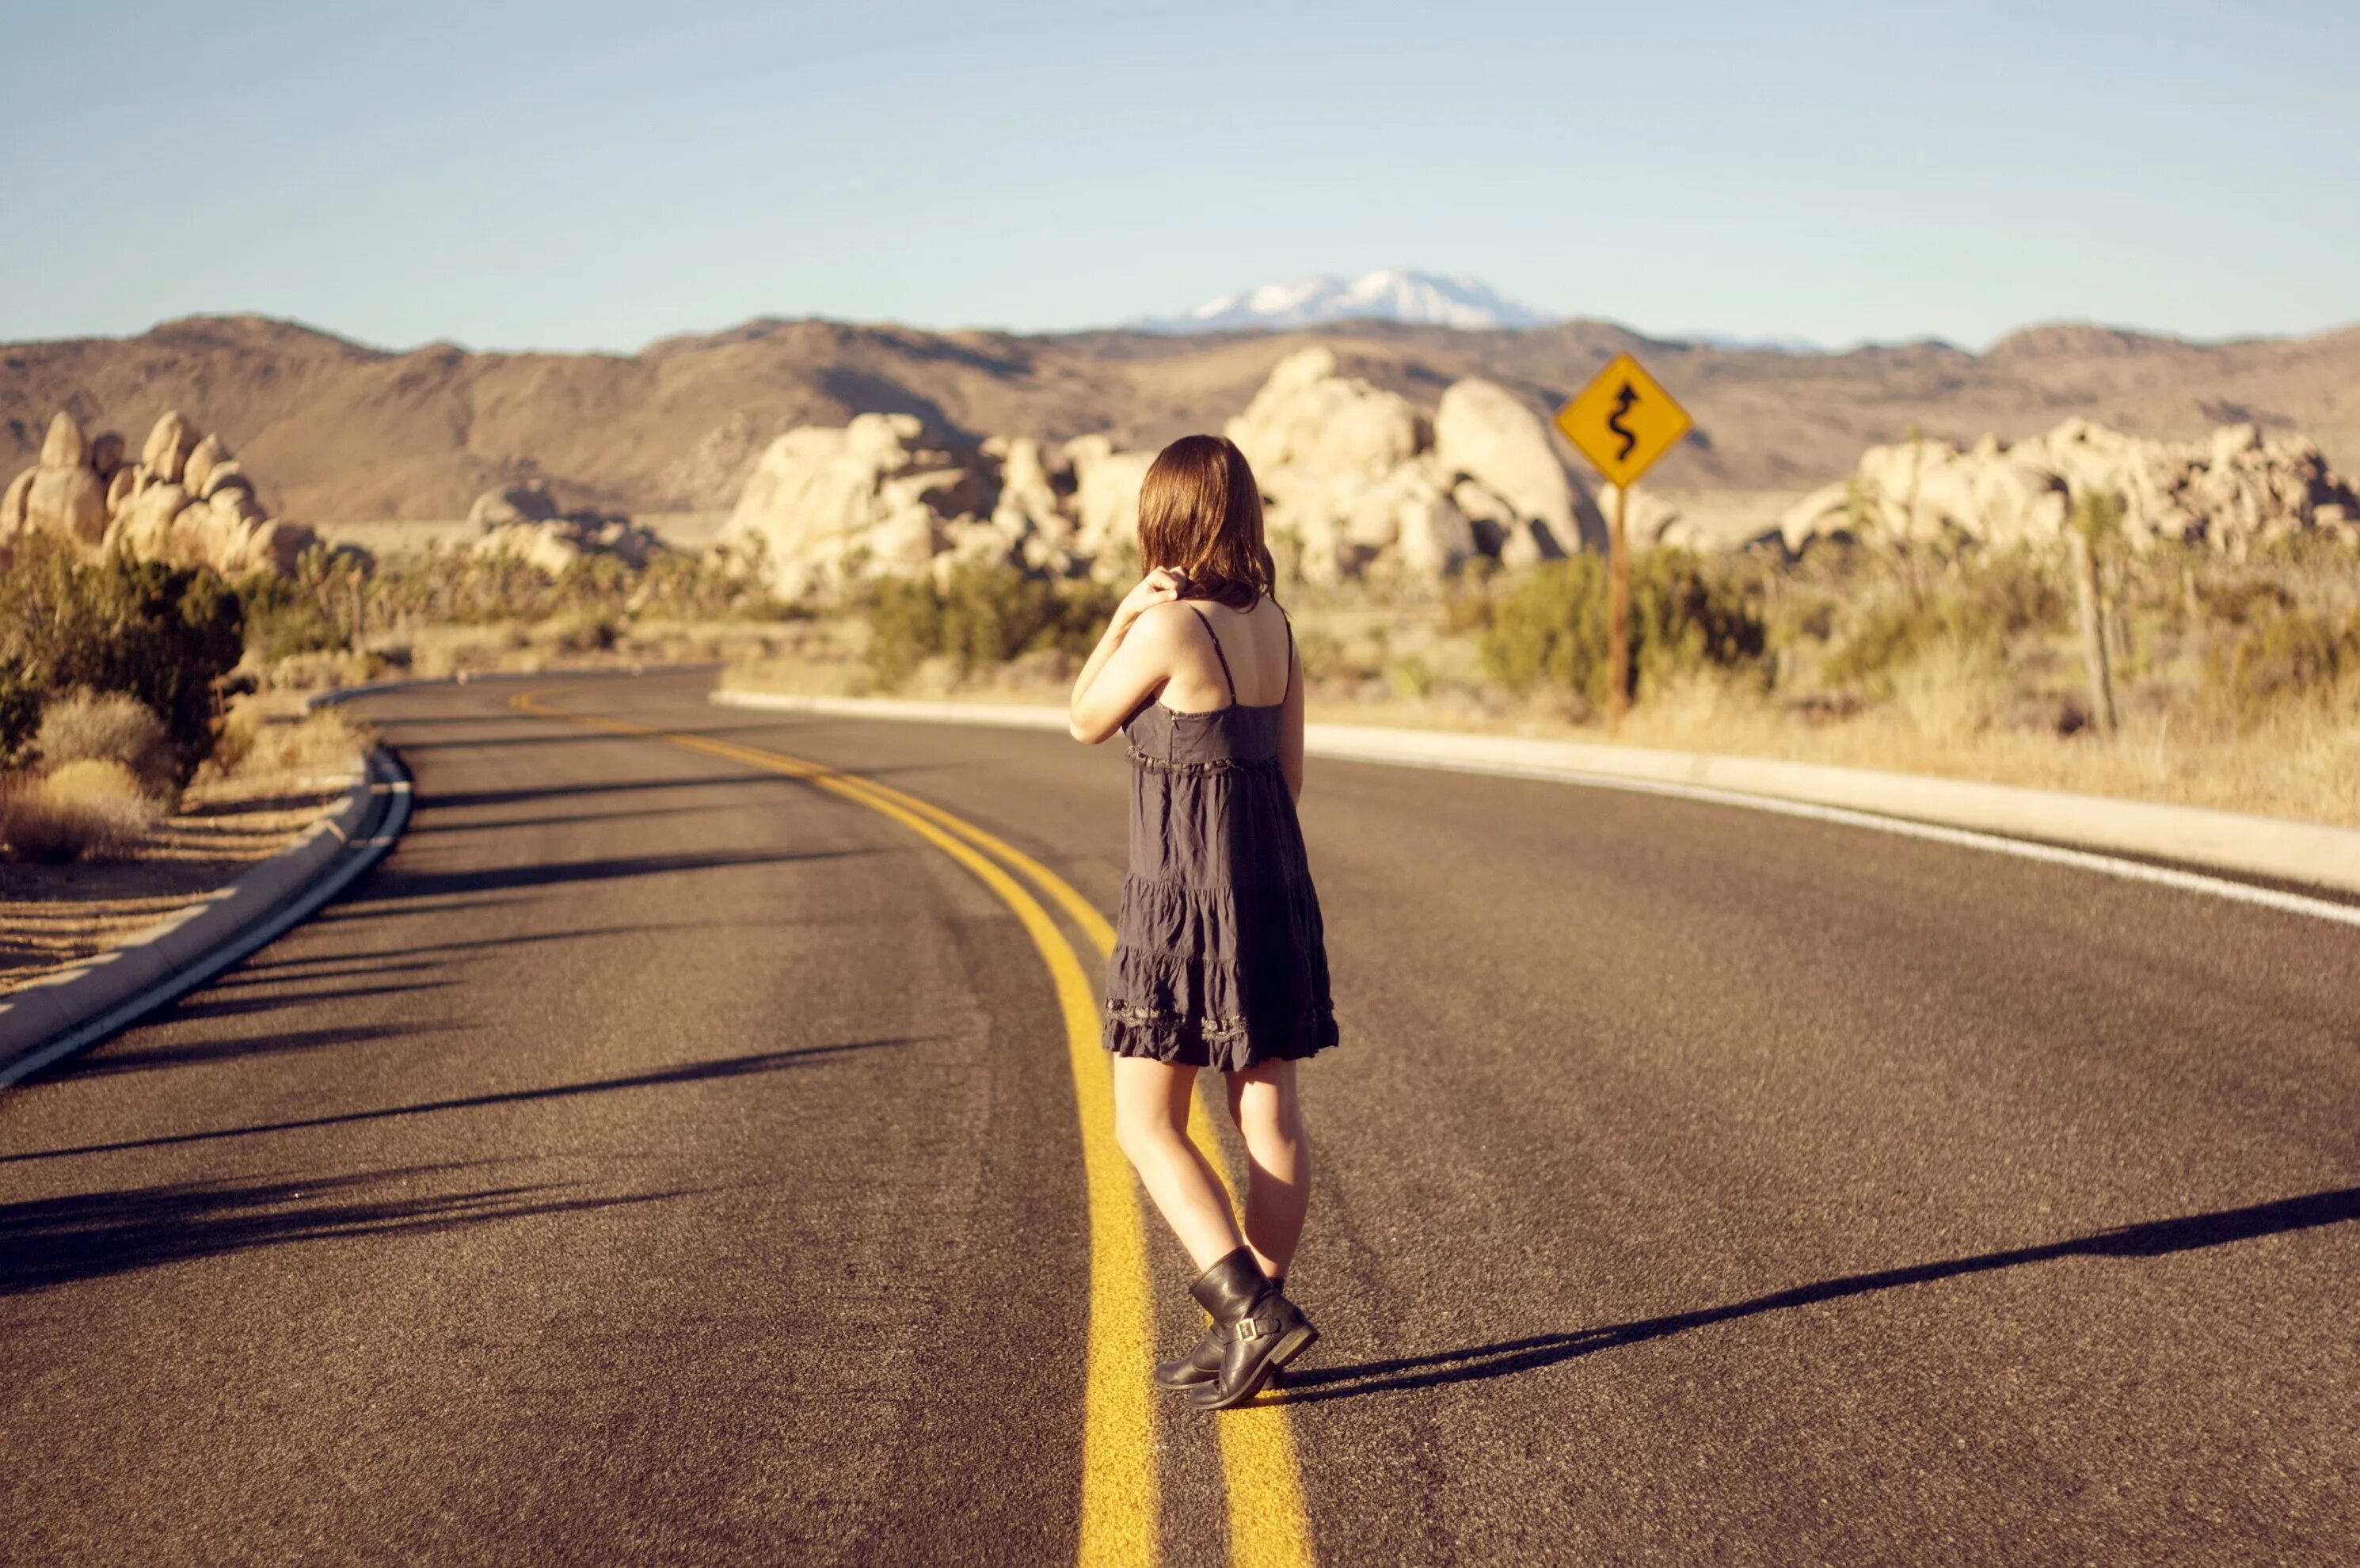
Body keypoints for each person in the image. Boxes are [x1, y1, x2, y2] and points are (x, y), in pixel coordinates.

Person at [1068, 432, 1338, 1411]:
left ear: (1168, 521)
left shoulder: (1168, 628)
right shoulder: (1276, 624)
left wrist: (1117, 619)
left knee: (1143, 1122)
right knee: (1267, 1109)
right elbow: (1291, 775)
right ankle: (1252, 1319)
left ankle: (1249, 1315)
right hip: (1269, 883)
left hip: (1181, 897)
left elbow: (1084, 718)